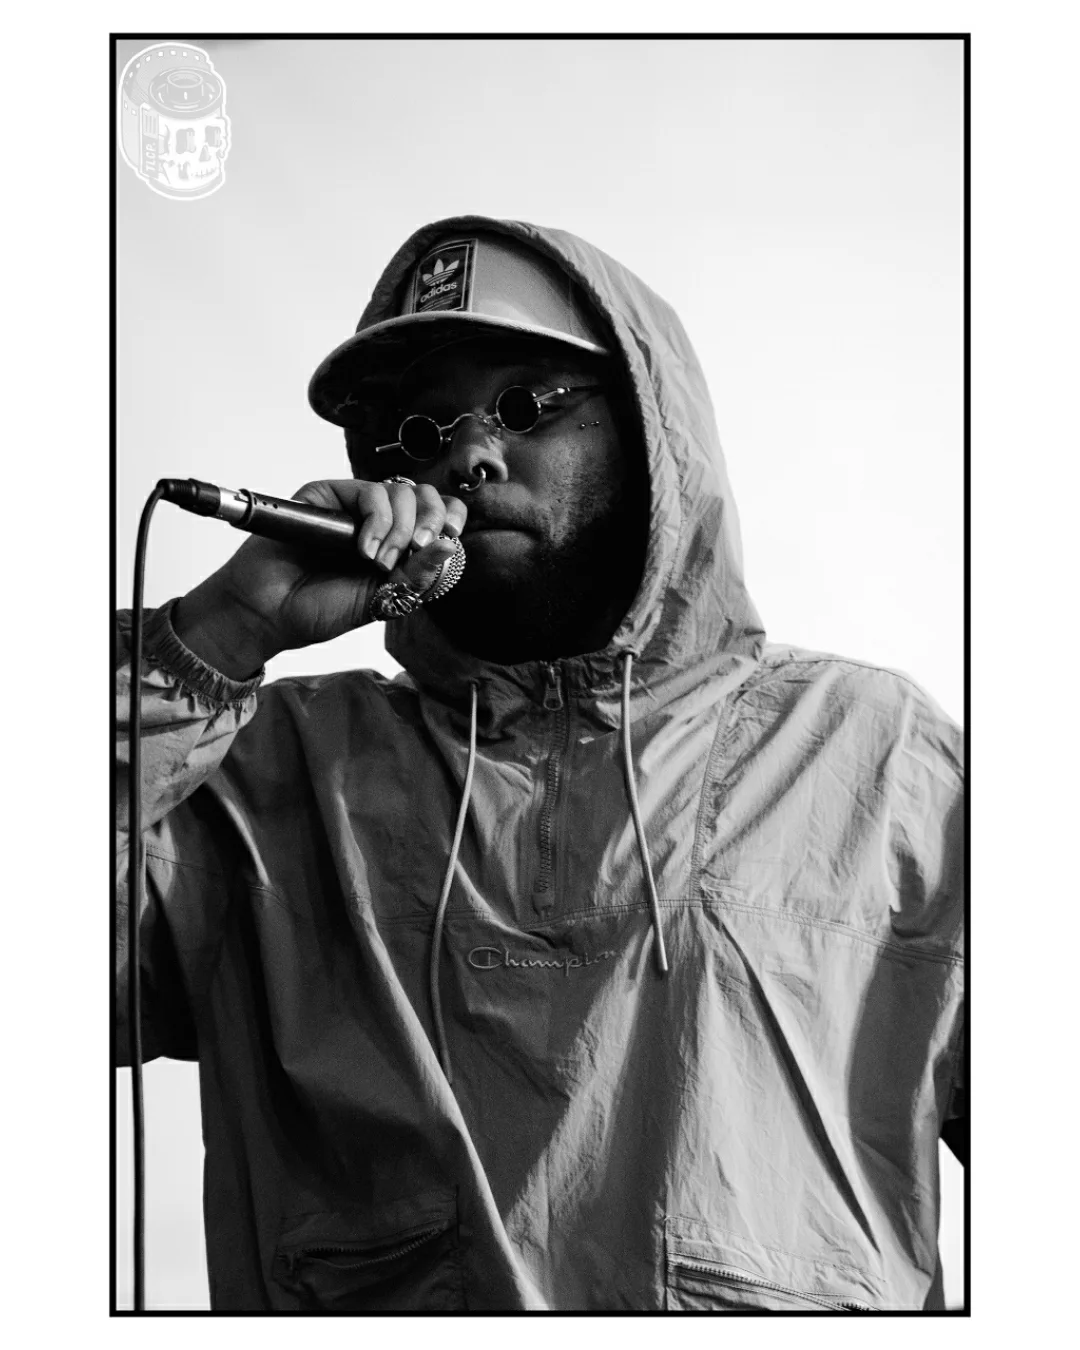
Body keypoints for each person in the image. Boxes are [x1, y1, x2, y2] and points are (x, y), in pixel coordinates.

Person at [116, 216, 965, 1312]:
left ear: (651, 431)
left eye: (525, 405)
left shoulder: (874, 754)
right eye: (418, 430)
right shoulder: (263, 772)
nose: (467, 456)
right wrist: (218, 635)